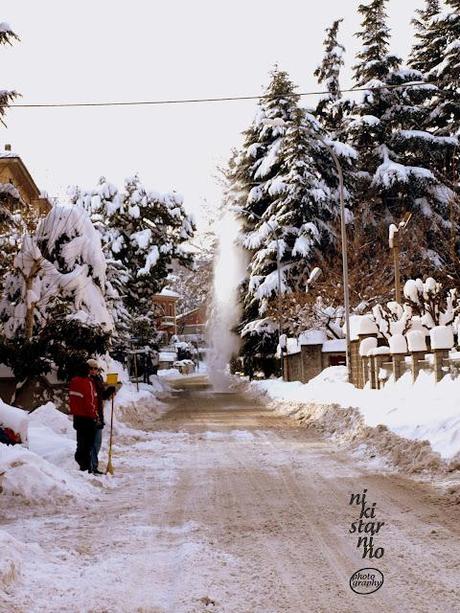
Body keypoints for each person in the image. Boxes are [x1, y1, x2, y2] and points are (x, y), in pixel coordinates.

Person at [69, 362, 99, 473]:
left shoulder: (73, 381)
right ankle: (86, 467)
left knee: (81, 442)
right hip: (87, 418)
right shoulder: (87, 383)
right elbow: (89, 402)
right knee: (88, 444)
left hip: (77, 417)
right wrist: (95, 416)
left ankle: (82, 464)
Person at [87, 358, 116, 474]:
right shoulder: (87, 381)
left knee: (97, 442)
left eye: (95, 368)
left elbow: (102, 396)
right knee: (91, 442)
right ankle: (91, 466)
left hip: (99, 414)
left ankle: (94, 465)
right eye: (91, 368)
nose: (93, 370)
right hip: (90, 415)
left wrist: (110, 391)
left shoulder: (98, 379)